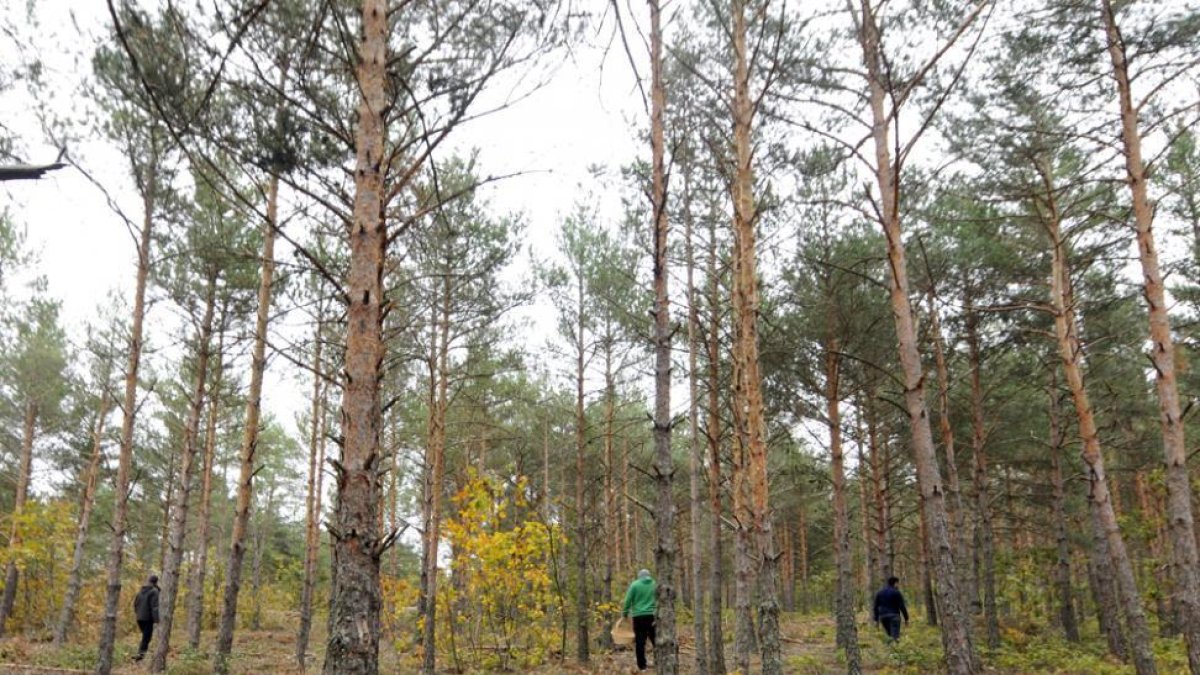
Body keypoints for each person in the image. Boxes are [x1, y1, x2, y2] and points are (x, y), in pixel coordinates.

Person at [621, 569, 656, 671]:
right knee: (655, 640)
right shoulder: (655, 584)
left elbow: (628, 600)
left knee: (640, 641)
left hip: (638, 617)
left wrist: (625, 613)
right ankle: (659, 662)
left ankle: (642, 666)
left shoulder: (635, 585)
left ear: (639, 576)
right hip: (652, 616)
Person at [873, 575, 909, 642]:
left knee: (889, 635)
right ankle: (894, 650)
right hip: (894, 616)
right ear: (895, 583)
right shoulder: (896, 592)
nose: (898, 585)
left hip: (883, 617)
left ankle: (889, 649)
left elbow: (875, 606)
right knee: (895, 636)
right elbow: (902, 606)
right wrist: (906, 618)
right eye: (897, 583)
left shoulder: (880, 593)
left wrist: (876, 619)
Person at [132, 574, 160, 661]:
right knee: (146, 638)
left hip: (139, 618)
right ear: (156, 582)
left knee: (145, 637)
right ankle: (140, 656)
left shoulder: (140, 591)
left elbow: (135, 605)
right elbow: (155, 606)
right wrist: (157, 620)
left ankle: (140, 655)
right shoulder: (154, 591)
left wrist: (138, 614)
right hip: (148, 618)